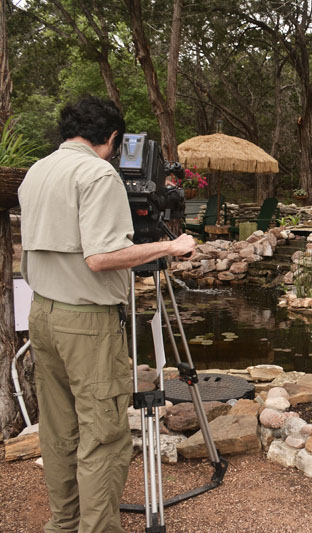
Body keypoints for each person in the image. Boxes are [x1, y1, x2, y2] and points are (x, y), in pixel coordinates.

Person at [18, 96, 195, 533]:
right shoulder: (98, 174)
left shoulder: (37, 171)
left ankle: (64, 523)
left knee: (59, 431)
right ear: (113, 138)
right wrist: (171, 247)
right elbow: (101, 256)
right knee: (103, 436)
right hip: (87, 324)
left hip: (43, 313)